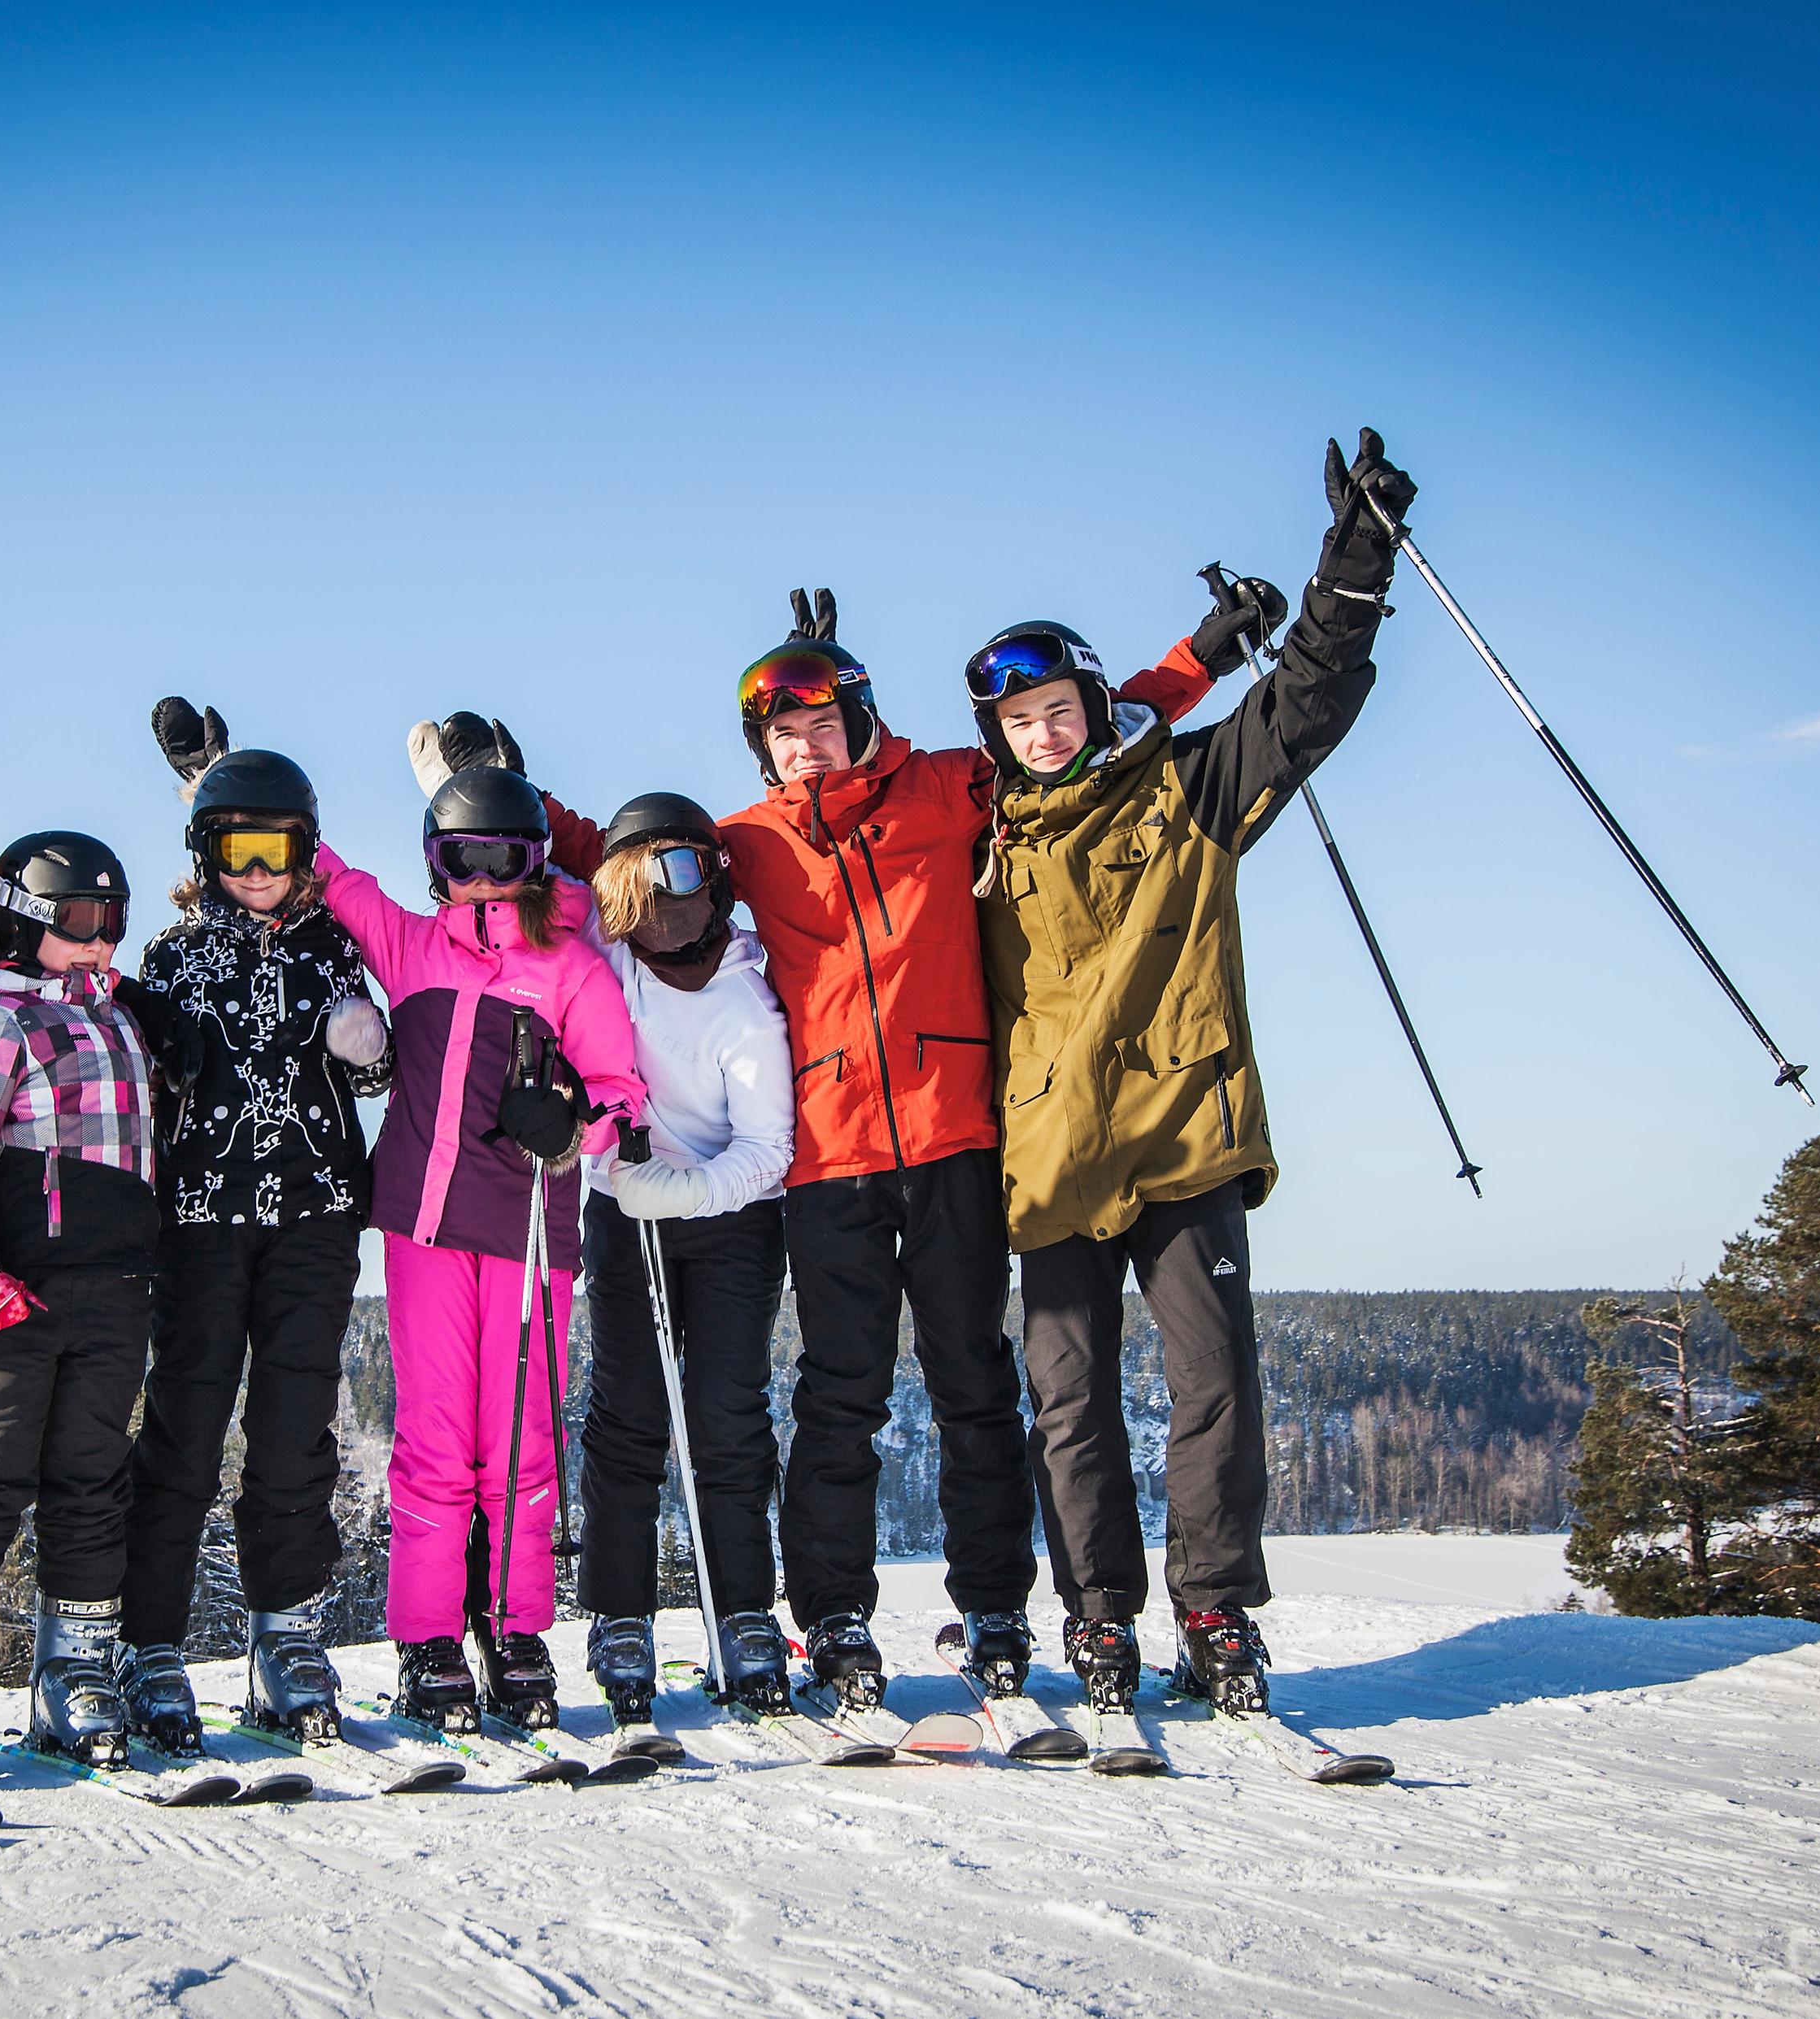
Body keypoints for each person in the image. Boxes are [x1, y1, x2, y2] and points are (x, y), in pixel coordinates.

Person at [418, 595, 1209, 1707]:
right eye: (784, 734)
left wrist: (1196, 659)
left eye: (823, 724)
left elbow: (1068, 735)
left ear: (861, 719)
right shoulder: (747, 843)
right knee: (842, 1395)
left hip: (955, 1139)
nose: (805, 747)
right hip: (831, 1163)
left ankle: (994, 1603)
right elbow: (618, 856)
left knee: (974, 1382)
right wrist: (500, 786)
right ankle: (834, 1612)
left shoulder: (943, 788)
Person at [972, 429, 1419, 1717]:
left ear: (1097, 705)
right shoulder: (977, 835)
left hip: (1183, 1137)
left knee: (1216, 1382)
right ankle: (1100, 1617)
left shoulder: (1186, 787)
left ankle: (1217, 1611)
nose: (1043, 734)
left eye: (1059, 710)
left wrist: (1353, 565)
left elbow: (1306, 704)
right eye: (1018, 722)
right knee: (1071, 1405)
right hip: (1050, 1158)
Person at [309, 767, 644, 1730]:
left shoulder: (572, 966)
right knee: (434, 1437)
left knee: (521, 1437)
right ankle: (428, 1639)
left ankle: (514, 1625)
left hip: (529, 1228)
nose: (486, 878)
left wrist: (574, 1123)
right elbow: (336, 882)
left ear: (536, 862)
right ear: (437, 865)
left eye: (506, 857)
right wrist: (216, 783)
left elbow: (621, 1091)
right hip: (424, 1228)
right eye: (466, 859)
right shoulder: (412, 948)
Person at [111, 703, 393, 1752]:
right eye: (239, 851)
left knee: (293, 1431)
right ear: (207, 854)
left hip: (315, 1220)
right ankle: (149, 1643)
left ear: (308, 852)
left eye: (278, 849)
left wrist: (367, 1044)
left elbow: (375, 1074)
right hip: (200, 1221)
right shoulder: (174, 957)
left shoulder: (334, 949)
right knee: (184, 1427)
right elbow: (138, 1078)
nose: (261, 871)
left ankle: (285, 1634)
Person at [0, 831, 171, 1773]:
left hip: (115, 1294)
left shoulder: (122, 1022)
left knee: (92, 1484)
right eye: (81, 919)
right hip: (16, 1297)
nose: (100, 938)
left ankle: (73, 1670)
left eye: (114, 920)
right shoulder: (1, 1023)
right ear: (24, 919)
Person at [564, 794, 799, 1721]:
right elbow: (529, 870)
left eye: (687, 873)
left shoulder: (746, 1003)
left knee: (726, 1415)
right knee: (626, 1413)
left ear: (718, 881)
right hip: (624, 1211)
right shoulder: (608, 957)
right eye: (644, 884)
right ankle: (620, 1613)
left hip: (731, 1219)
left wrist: (688, 1189)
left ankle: (741, 1611)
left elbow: (769, 1149)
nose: (666, 902)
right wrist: (468, 780)